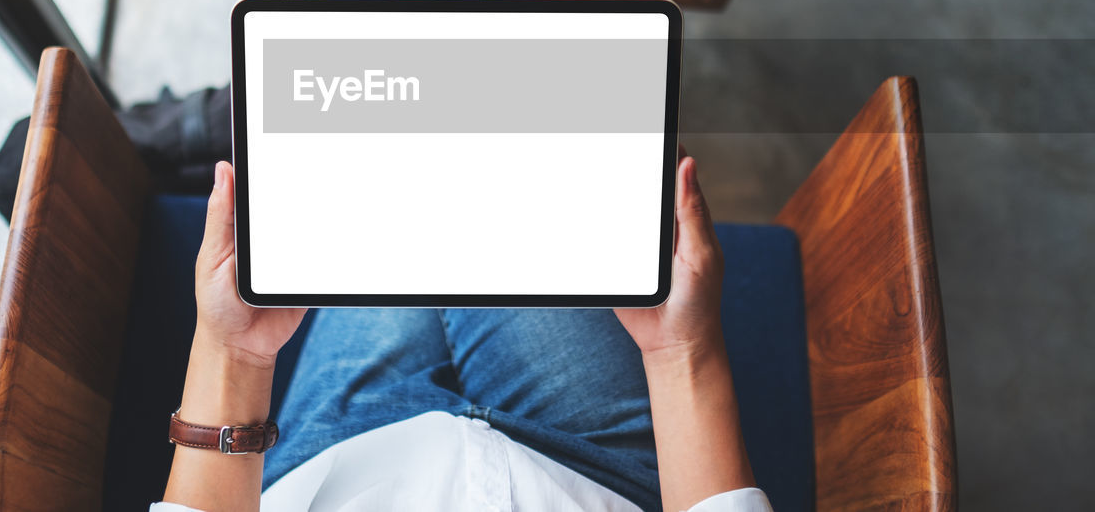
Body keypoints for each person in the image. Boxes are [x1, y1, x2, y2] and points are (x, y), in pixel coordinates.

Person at [153, 152, 772, 512]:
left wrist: (231, 351)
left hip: (333, 469)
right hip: (595, 476)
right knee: (524, 169)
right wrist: (681, 352)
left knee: (393, 179)